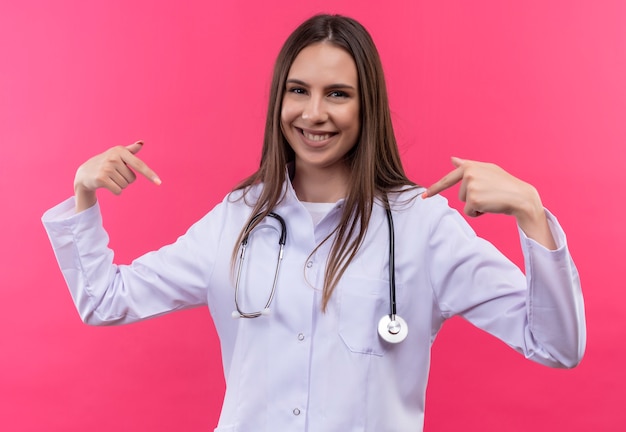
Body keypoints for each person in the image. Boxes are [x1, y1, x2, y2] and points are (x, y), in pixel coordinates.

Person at [42, 14, 585, 432]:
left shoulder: (422, 227)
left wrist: (531, 214)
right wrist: (84, 193)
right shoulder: (237, 220)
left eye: (338, 94)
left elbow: (556, 345)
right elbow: (104, 300)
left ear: (366, 106)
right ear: (280, 97)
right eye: (298, 90)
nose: (314, 113)